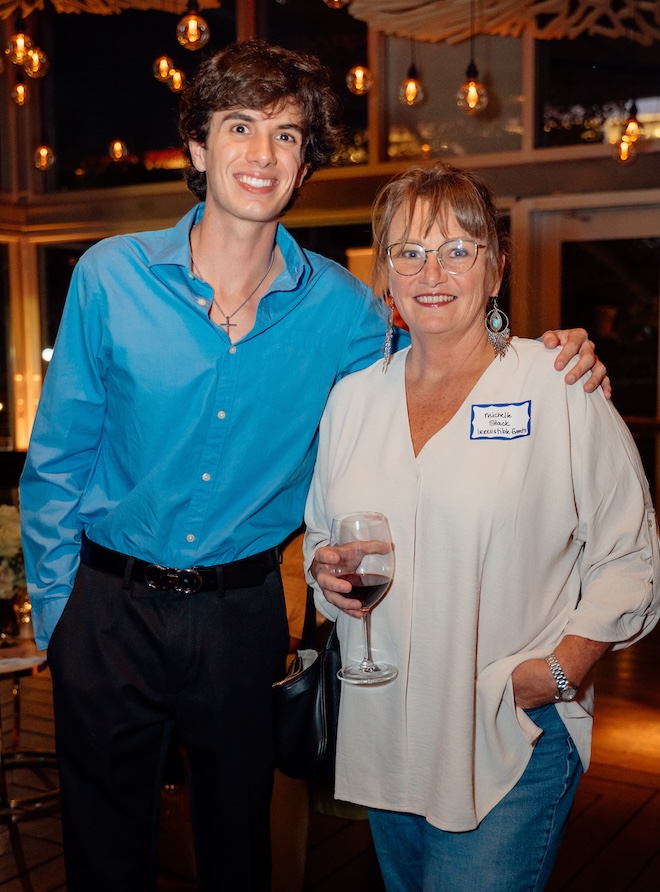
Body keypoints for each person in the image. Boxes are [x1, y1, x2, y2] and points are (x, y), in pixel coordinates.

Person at [19, 40, 605, 892]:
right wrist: (59, 617)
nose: (262, 152)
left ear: (302, 167)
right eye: (240, 126)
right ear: (197, 148)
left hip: (241, 617)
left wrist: (546, 352)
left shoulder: (348, 309)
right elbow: (59, 458)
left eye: (287, 135)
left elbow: (440, 355)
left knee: (240, 856)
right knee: (103, 860)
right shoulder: (111, 277)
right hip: (106, 613)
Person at [305, 162, 660, 892]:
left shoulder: (556, 384)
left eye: (457, 249)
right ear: (387, 275)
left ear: (496, 269)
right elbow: (320, 539)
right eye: (409, 251)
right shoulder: (352, 402)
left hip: (509, 731)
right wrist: (326, 575)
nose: (432, 272)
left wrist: (560, 671)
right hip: (386, 733)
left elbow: (631, 553)